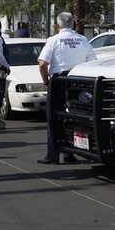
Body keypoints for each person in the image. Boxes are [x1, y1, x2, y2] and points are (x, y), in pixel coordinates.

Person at [37, 12, 96, 165]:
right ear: (73, 24)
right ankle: (71, 152)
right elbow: (93, 63)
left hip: (58, 82)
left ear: (58, 26)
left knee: (54, 118)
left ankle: (53, 155)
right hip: (78, 82)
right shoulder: (83, 40)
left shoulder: (53, 40)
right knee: (74, 117)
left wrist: (46, 82)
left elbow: (43, 64)